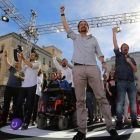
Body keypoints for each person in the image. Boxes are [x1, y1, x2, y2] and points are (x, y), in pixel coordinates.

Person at [60, 6, 119, 140]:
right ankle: (82, 130)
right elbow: (65, 26)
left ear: (88, 27)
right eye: (81, 24)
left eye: (85, 24)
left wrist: (103, 63)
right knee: (80, 100)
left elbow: (99, 53)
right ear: (78, 28)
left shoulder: (94, 39)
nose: (83, 25)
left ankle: (111, 127)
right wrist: (62, 13)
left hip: (93, 67)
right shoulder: (75, 37)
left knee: (102, 98)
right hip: (78, 68)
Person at [112, 27, 140, 130]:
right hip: (121, 82)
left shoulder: (131, 59)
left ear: (128, 49)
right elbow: (115, 44)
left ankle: (134, 121)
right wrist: (114, 33)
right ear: (121, 49)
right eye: (123, 47)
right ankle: (119, 122)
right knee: (120, 102)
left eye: (126, 47)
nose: (125, 48)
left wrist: (130, 62)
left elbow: (135, 70)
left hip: (131, 82)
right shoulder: (118, 56)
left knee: (133, 102)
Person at [15, 51, 40, 130]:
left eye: (33, 55)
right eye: (31, 55)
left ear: (36, 57)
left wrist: (23, 58)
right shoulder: (26, 64)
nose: (31, 56)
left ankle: (26, 122)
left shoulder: (37, 63)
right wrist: (20, 60)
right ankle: (22, 119)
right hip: (24, 86)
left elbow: (31, 65)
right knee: (19, 102)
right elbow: (19, 69)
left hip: (32, 86)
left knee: (30, 105)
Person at [0, 51, 24, 126]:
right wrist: (6, 56)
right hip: (9, 88)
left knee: (16, 105)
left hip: (17, 89)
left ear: (20, 64)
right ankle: (4, 120)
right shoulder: (12, 69)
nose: (16, 64)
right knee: (6, 104)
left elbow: (24, 78)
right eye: (16, 63)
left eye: (18, 63)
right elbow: (7, 63)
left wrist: (20, 59)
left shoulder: (21, 71)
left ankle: (15, 120)